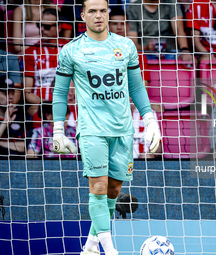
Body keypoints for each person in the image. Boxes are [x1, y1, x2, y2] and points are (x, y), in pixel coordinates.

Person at [52, 1, 161, 255]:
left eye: (102, 10)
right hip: (92, 130)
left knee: (113, 191)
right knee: (98, 189)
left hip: (123, 131)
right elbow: (59, 92)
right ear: (83, 15)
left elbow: (136, 87)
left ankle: (90, 248)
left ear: (108, 13)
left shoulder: (125, 46)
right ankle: (110, 251)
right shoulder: (71, 51)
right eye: (92, 11)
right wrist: (59, 130)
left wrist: (150, 119)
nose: (98, 15)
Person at [108, 7, 162, 159]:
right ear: (108, 26)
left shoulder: (137, 55)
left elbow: (141, 88)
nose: (119, 27)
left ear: (128, 27)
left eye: (122, 24)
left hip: (130, 106)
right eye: (114, 24)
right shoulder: (100, 54)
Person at [24, 8, 69, 117]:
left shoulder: (70, 49)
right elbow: (27, 93)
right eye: (40, 25)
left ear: (58, 27)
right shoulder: (30, 52)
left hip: (68, 104)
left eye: (47, 27)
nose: (42, 29)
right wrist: (47, 104)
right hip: (41, 106)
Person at [126, 0, 193, 61]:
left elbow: (179, 29)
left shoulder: (171, 3)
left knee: (187, 59)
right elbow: (132, 41)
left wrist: (185, 50)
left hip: (171, 53)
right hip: (145, 54)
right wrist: (146, 48)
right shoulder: (133, 8)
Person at [0, 76, 26, 157]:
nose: (11, 96)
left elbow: (25, 147)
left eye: (12, 93)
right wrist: (5, 123)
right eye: (6, 93)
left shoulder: (22, 116)